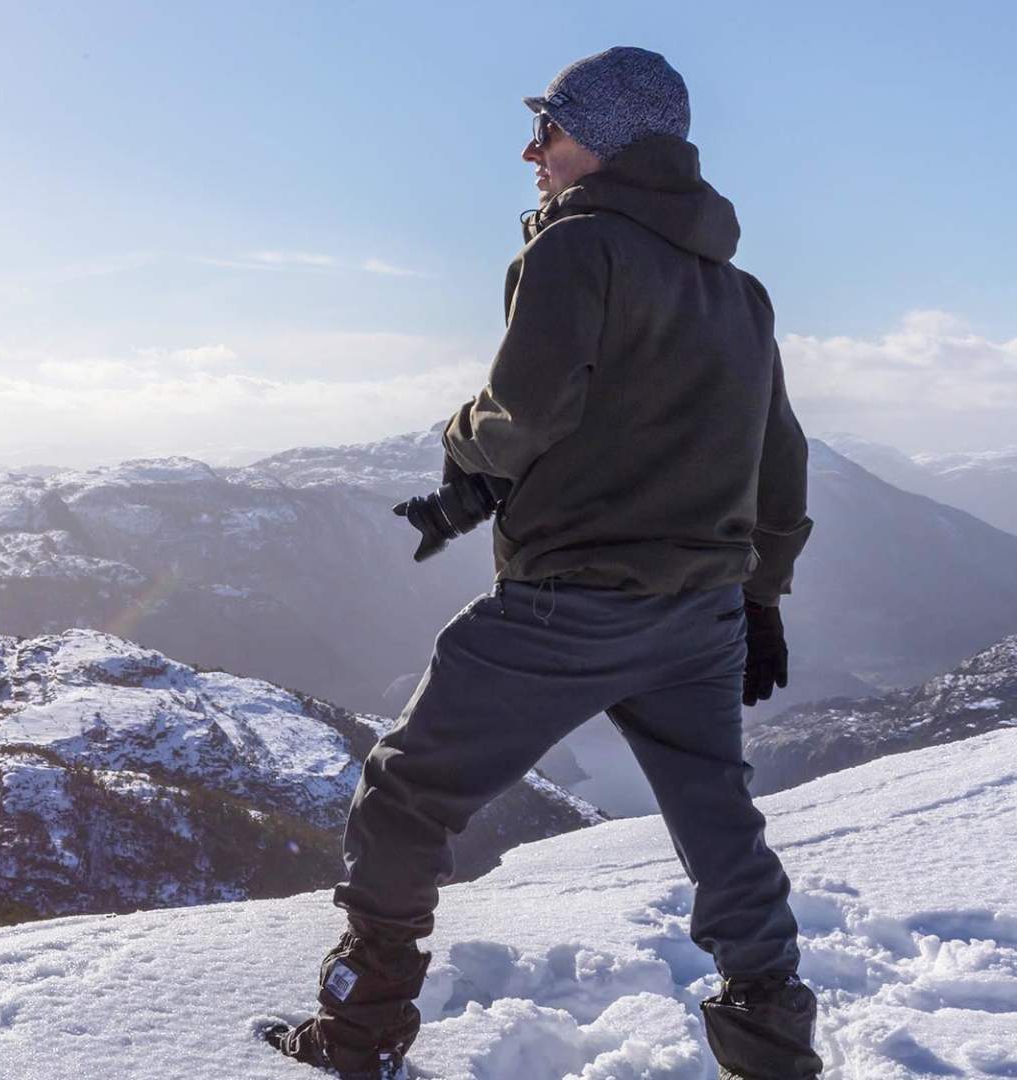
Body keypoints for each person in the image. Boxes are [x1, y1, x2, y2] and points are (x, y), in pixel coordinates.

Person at [264, 46, 822, 1080]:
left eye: (550, 128)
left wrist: (462, 452)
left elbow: (525, 412)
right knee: (716, 819)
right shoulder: (738, 292)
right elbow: (777, 458)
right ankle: (773, 1045)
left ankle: (362, 1028)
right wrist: (762, 596)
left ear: (603, 142)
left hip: (570, 607)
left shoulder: (578, 250)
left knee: (403, 792)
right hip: (701, 613)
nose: (533, 150)